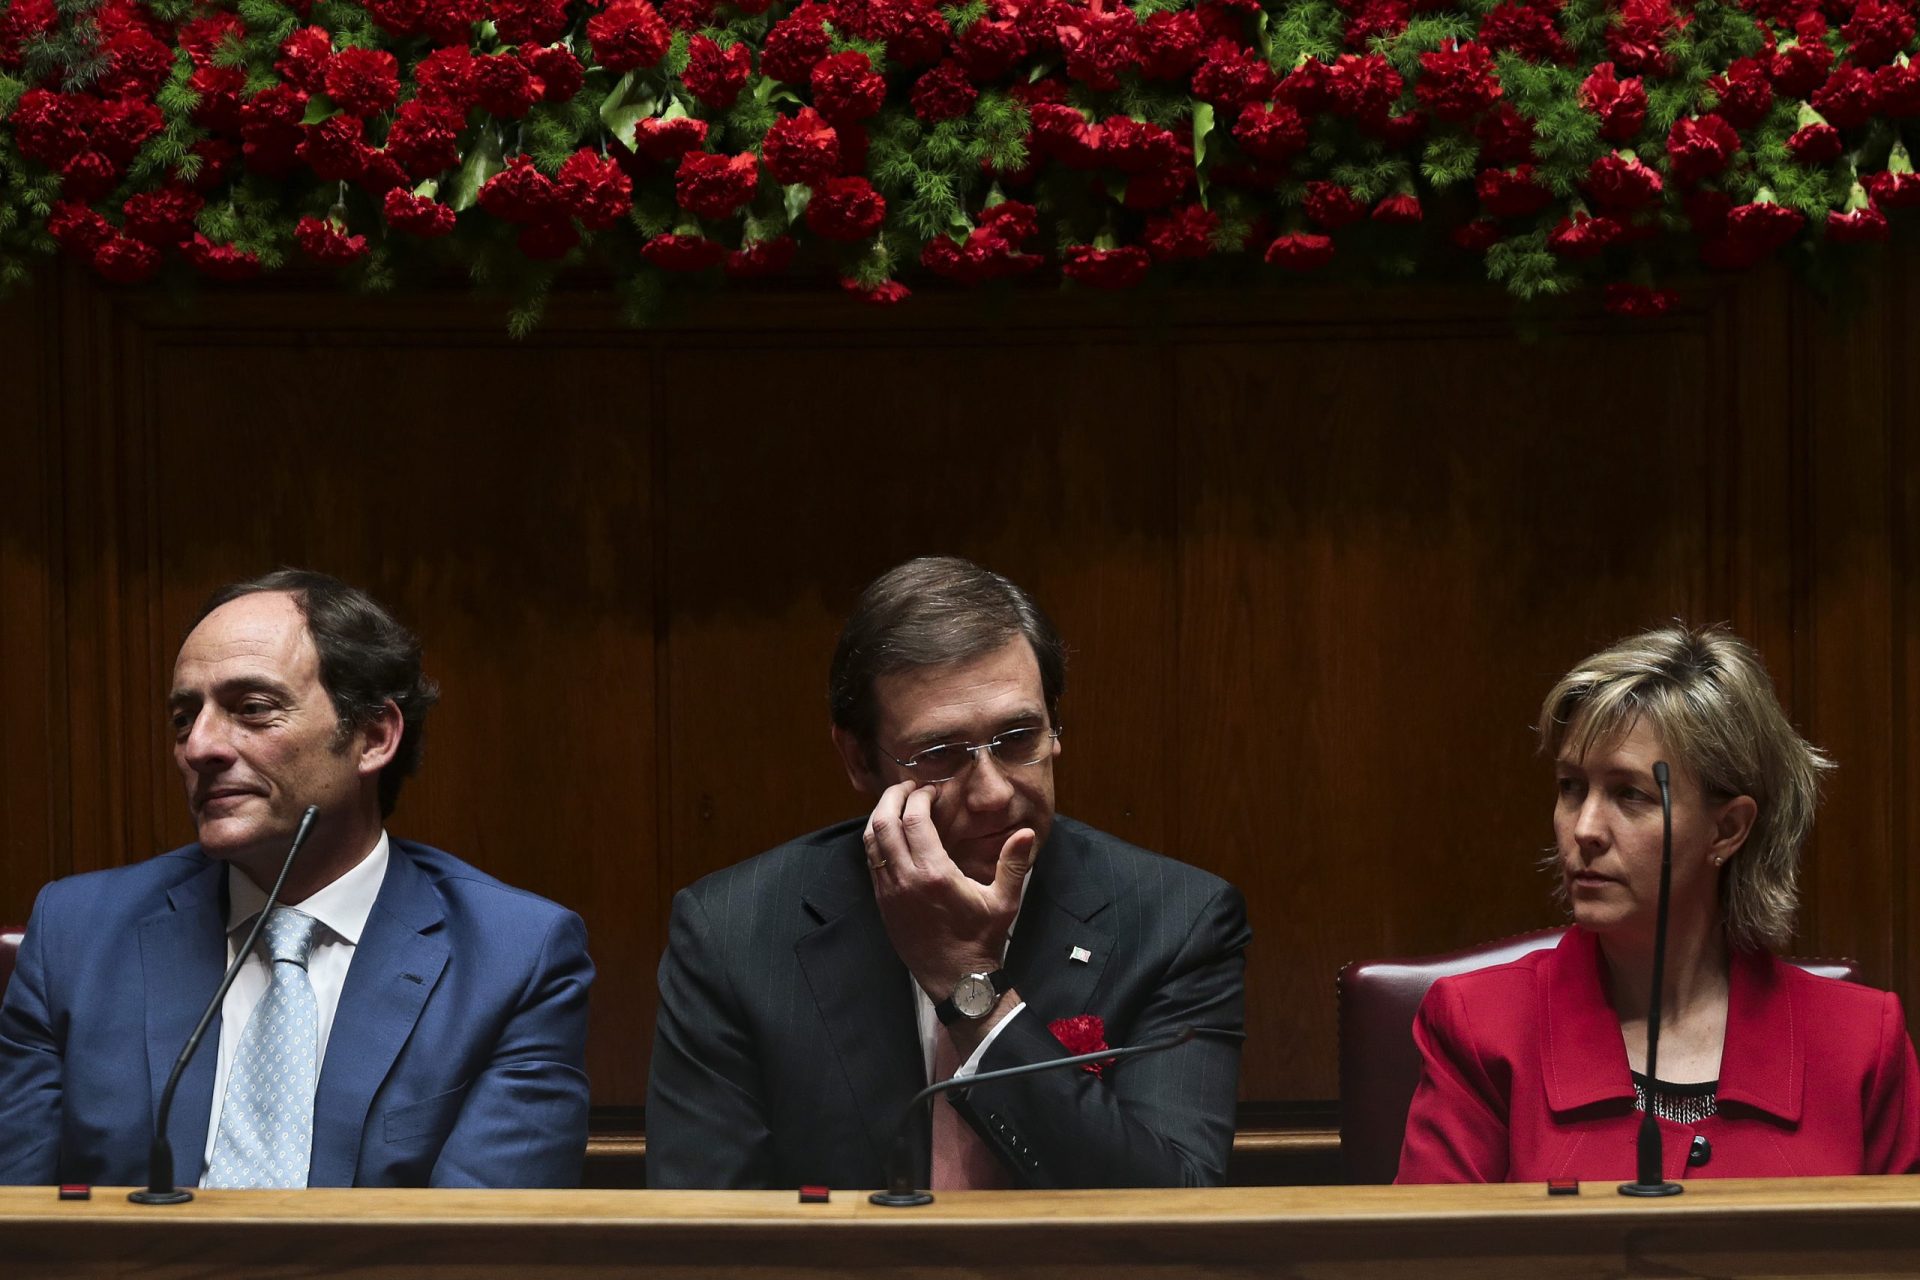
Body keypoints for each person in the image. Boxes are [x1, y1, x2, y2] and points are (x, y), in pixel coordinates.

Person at [646, 556, 1250, 1189]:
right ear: (858, 760)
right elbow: (700, 1230)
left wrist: (973, 993)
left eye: (1018, 738)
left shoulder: (1179, 921)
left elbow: (1172, 1212)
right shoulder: (732, 932)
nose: (992, 793)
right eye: (941, 755)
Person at [0, 570, 593, 1188]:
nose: (198, 746)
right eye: (183, 717)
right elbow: (15, 1220)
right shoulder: (78, 934)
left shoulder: (515, 955)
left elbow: (481, 1246)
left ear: (373, 736)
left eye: (252, 709)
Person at [1398, 624, 1920, 1182]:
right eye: (1571, 787)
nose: (1585, 828)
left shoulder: (1862, 1044)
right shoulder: (1481, 1030)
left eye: (1631, 794)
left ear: (1727, 828)